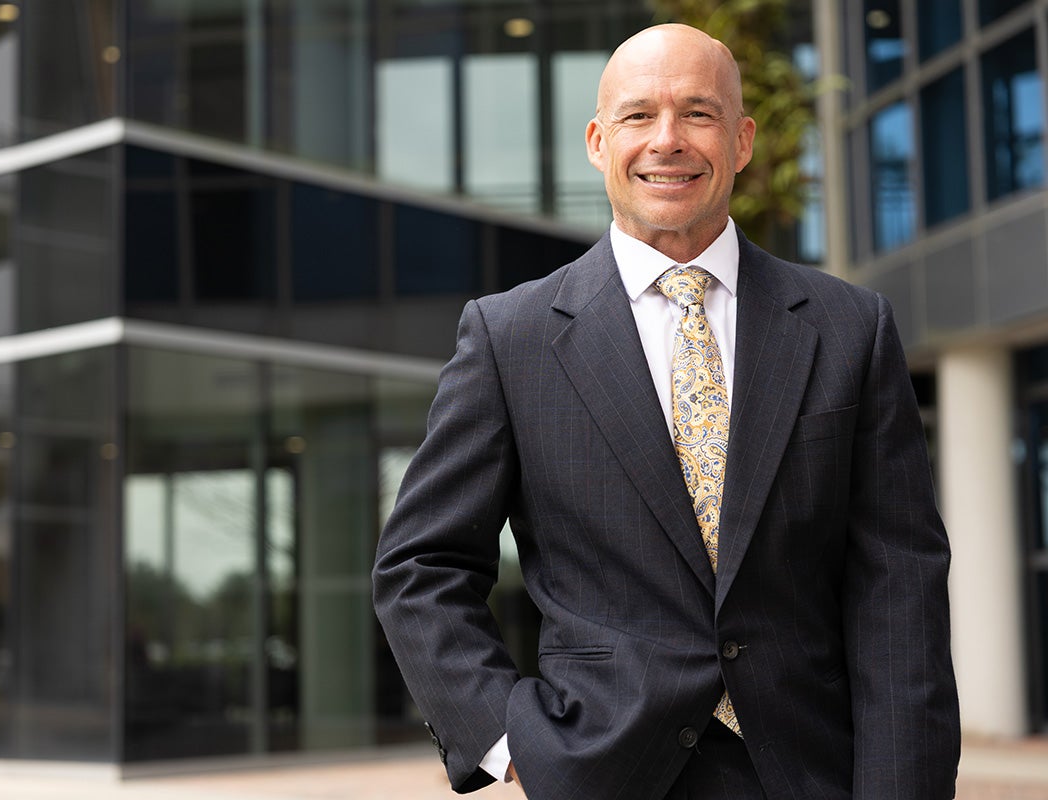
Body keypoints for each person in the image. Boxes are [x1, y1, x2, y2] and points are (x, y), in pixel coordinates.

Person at [372, 23, 960, 800]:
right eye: (639, 115)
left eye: (699, 113)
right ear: (596, 140)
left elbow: (899, 590)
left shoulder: (851, 328)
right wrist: (512, 738)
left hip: (812, 772)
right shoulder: (508, 337)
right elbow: (421, 567)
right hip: (606, 773)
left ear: (743, 140)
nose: (668, 140)